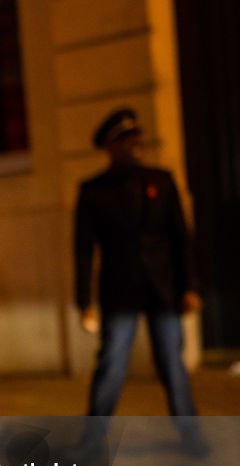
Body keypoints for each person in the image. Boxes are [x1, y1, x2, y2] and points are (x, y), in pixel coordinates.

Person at [75, 108, 201, 421]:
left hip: (163, 288)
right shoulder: (94, 191)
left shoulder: (162, 181)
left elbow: (181, 238)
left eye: (136, 139)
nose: (135, 146)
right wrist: (84, 302)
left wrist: (190, 287)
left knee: (173, 363)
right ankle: (93, 439)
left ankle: (192, 434)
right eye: (126, 141)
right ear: (110, 148)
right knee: (112, 363)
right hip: (120, 291)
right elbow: (83, 250)